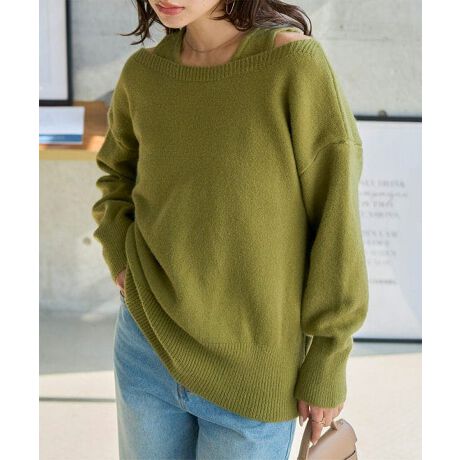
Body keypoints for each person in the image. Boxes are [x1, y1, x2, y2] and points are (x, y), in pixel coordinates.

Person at [91, 0, 369, 458]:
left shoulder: (293, 66)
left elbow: (335, 216)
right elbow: (117, 177)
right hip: (145, 350)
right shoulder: (144, 74)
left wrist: (329, 355)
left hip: (254, 369)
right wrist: (122, 260)